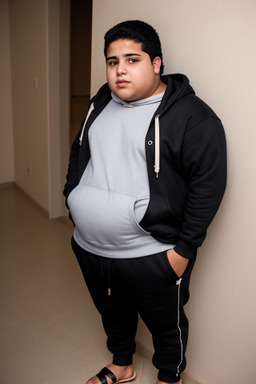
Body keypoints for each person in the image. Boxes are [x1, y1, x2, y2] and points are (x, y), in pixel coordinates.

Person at [63, 20, 227, 384]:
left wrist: (183, 249)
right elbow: (79, 151)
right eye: (112, 61)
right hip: (91, 246)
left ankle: (169, 376)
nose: (119, 69)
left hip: (151, 252)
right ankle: (122, 365)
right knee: (111, 311)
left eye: (132, 59)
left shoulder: (192, 117)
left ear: (156, 64)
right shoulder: (100, 102)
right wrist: (73, 198)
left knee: (166, 327)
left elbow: (208, 185)